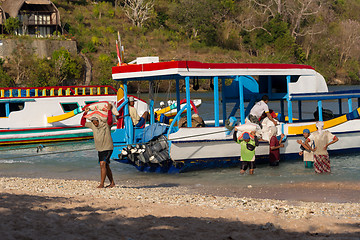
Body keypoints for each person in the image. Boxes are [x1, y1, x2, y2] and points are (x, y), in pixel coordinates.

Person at [81, 103, 115, 188]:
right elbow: (82, 123)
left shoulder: (106, 124)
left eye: (96, 123)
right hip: (99, 148)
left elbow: (110, 121)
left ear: (99, 120)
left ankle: (102, 184)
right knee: (106, 165)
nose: (95, 124)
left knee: (102, 164)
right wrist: (85, 113)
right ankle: (112, 183)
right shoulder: (93, 125)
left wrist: (109, 110)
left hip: (107, 147)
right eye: (93, 122)